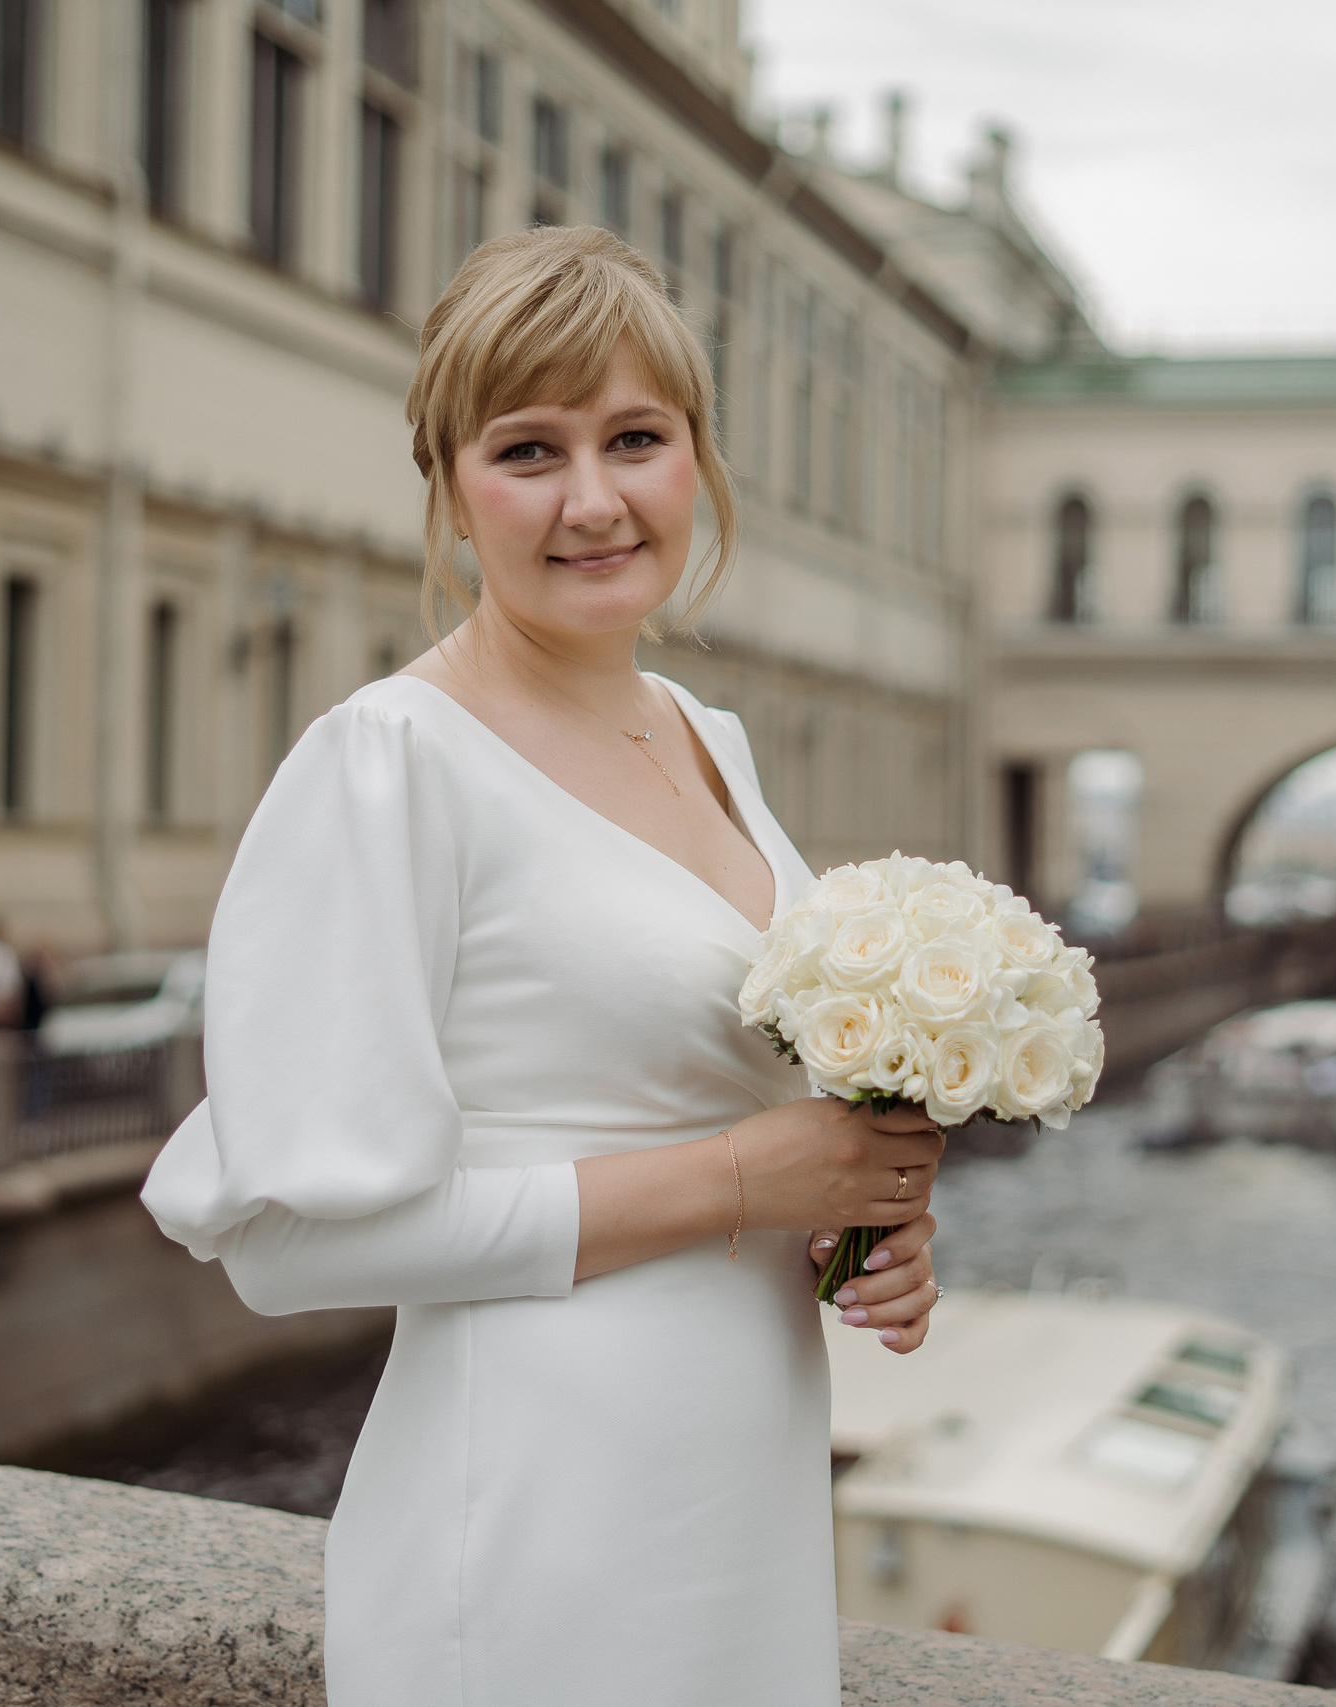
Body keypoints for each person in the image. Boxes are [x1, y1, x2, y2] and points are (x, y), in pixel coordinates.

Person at [141, 225, 945, 1707]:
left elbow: (705, 1084)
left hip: (739, 1482)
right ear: (450, 484)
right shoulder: (386, 762)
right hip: (534, 1509)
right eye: (528, 449)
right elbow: (286, 1244)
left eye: (635, 436)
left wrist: (860, 1214)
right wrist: (741, 1185)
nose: (594, 499)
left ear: (697, 455)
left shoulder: (713, 735)